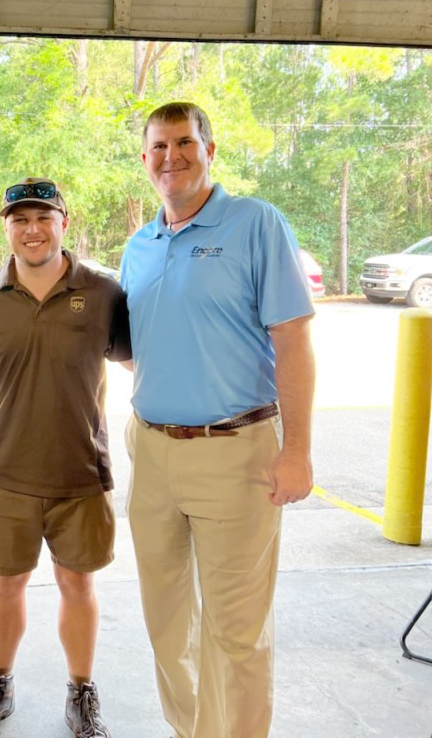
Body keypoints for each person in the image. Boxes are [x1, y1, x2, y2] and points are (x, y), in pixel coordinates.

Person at [120, 102, 315, 738]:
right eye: (158, 147)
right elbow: (147, 343)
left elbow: (293, 341)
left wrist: (298, 450)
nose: (170, 157)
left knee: (237, 631)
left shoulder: (256, 223)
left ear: (210, 151)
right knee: (167, 622)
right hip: (150, 453)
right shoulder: (138, 247)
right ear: (144, 159)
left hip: (236, 451)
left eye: (184, 143)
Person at [0, 178, 130, 738]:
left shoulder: (103, 293)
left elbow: (140, 361)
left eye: (43, 218)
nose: (31, 230)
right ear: (5, 228)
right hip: (6, 472)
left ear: (63, 223)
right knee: (7, 586)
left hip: (81, 472)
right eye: (19, 220)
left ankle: (82, 692)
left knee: (79, 586)